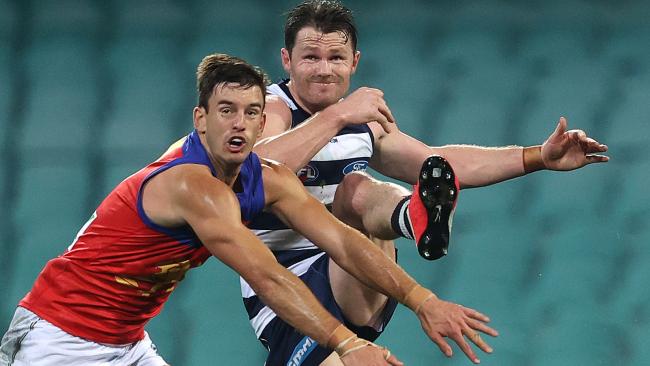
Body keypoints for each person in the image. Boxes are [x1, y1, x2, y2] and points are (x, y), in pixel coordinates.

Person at [0, 53, 497, 366]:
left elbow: (343, 241)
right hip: (59, 339)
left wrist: (423, 301)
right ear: (200, 119)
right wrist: (349, 346)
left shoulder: (269, 178)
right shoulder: (192, 185)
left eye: (252, 112)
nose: (240, 124)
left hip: (126, 343)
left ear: (265, 121)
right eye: (226, 111)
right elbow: (271, 279)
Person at [244, 0, 610, 364]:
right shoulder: (270, 110)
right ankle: (408, 216)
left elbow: (439, 164)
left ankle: (411, 215)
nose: (324, 70)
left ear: (355, 62)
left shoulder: (365, 122)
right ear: (286, 60)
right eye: (311, 57)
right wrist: (338, 115)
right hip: (286, 291)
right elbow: (255, 173)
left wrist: (537, 157)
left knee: (356, 188)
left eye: (336, 58)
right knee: (351, 189)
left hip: (358, 275)